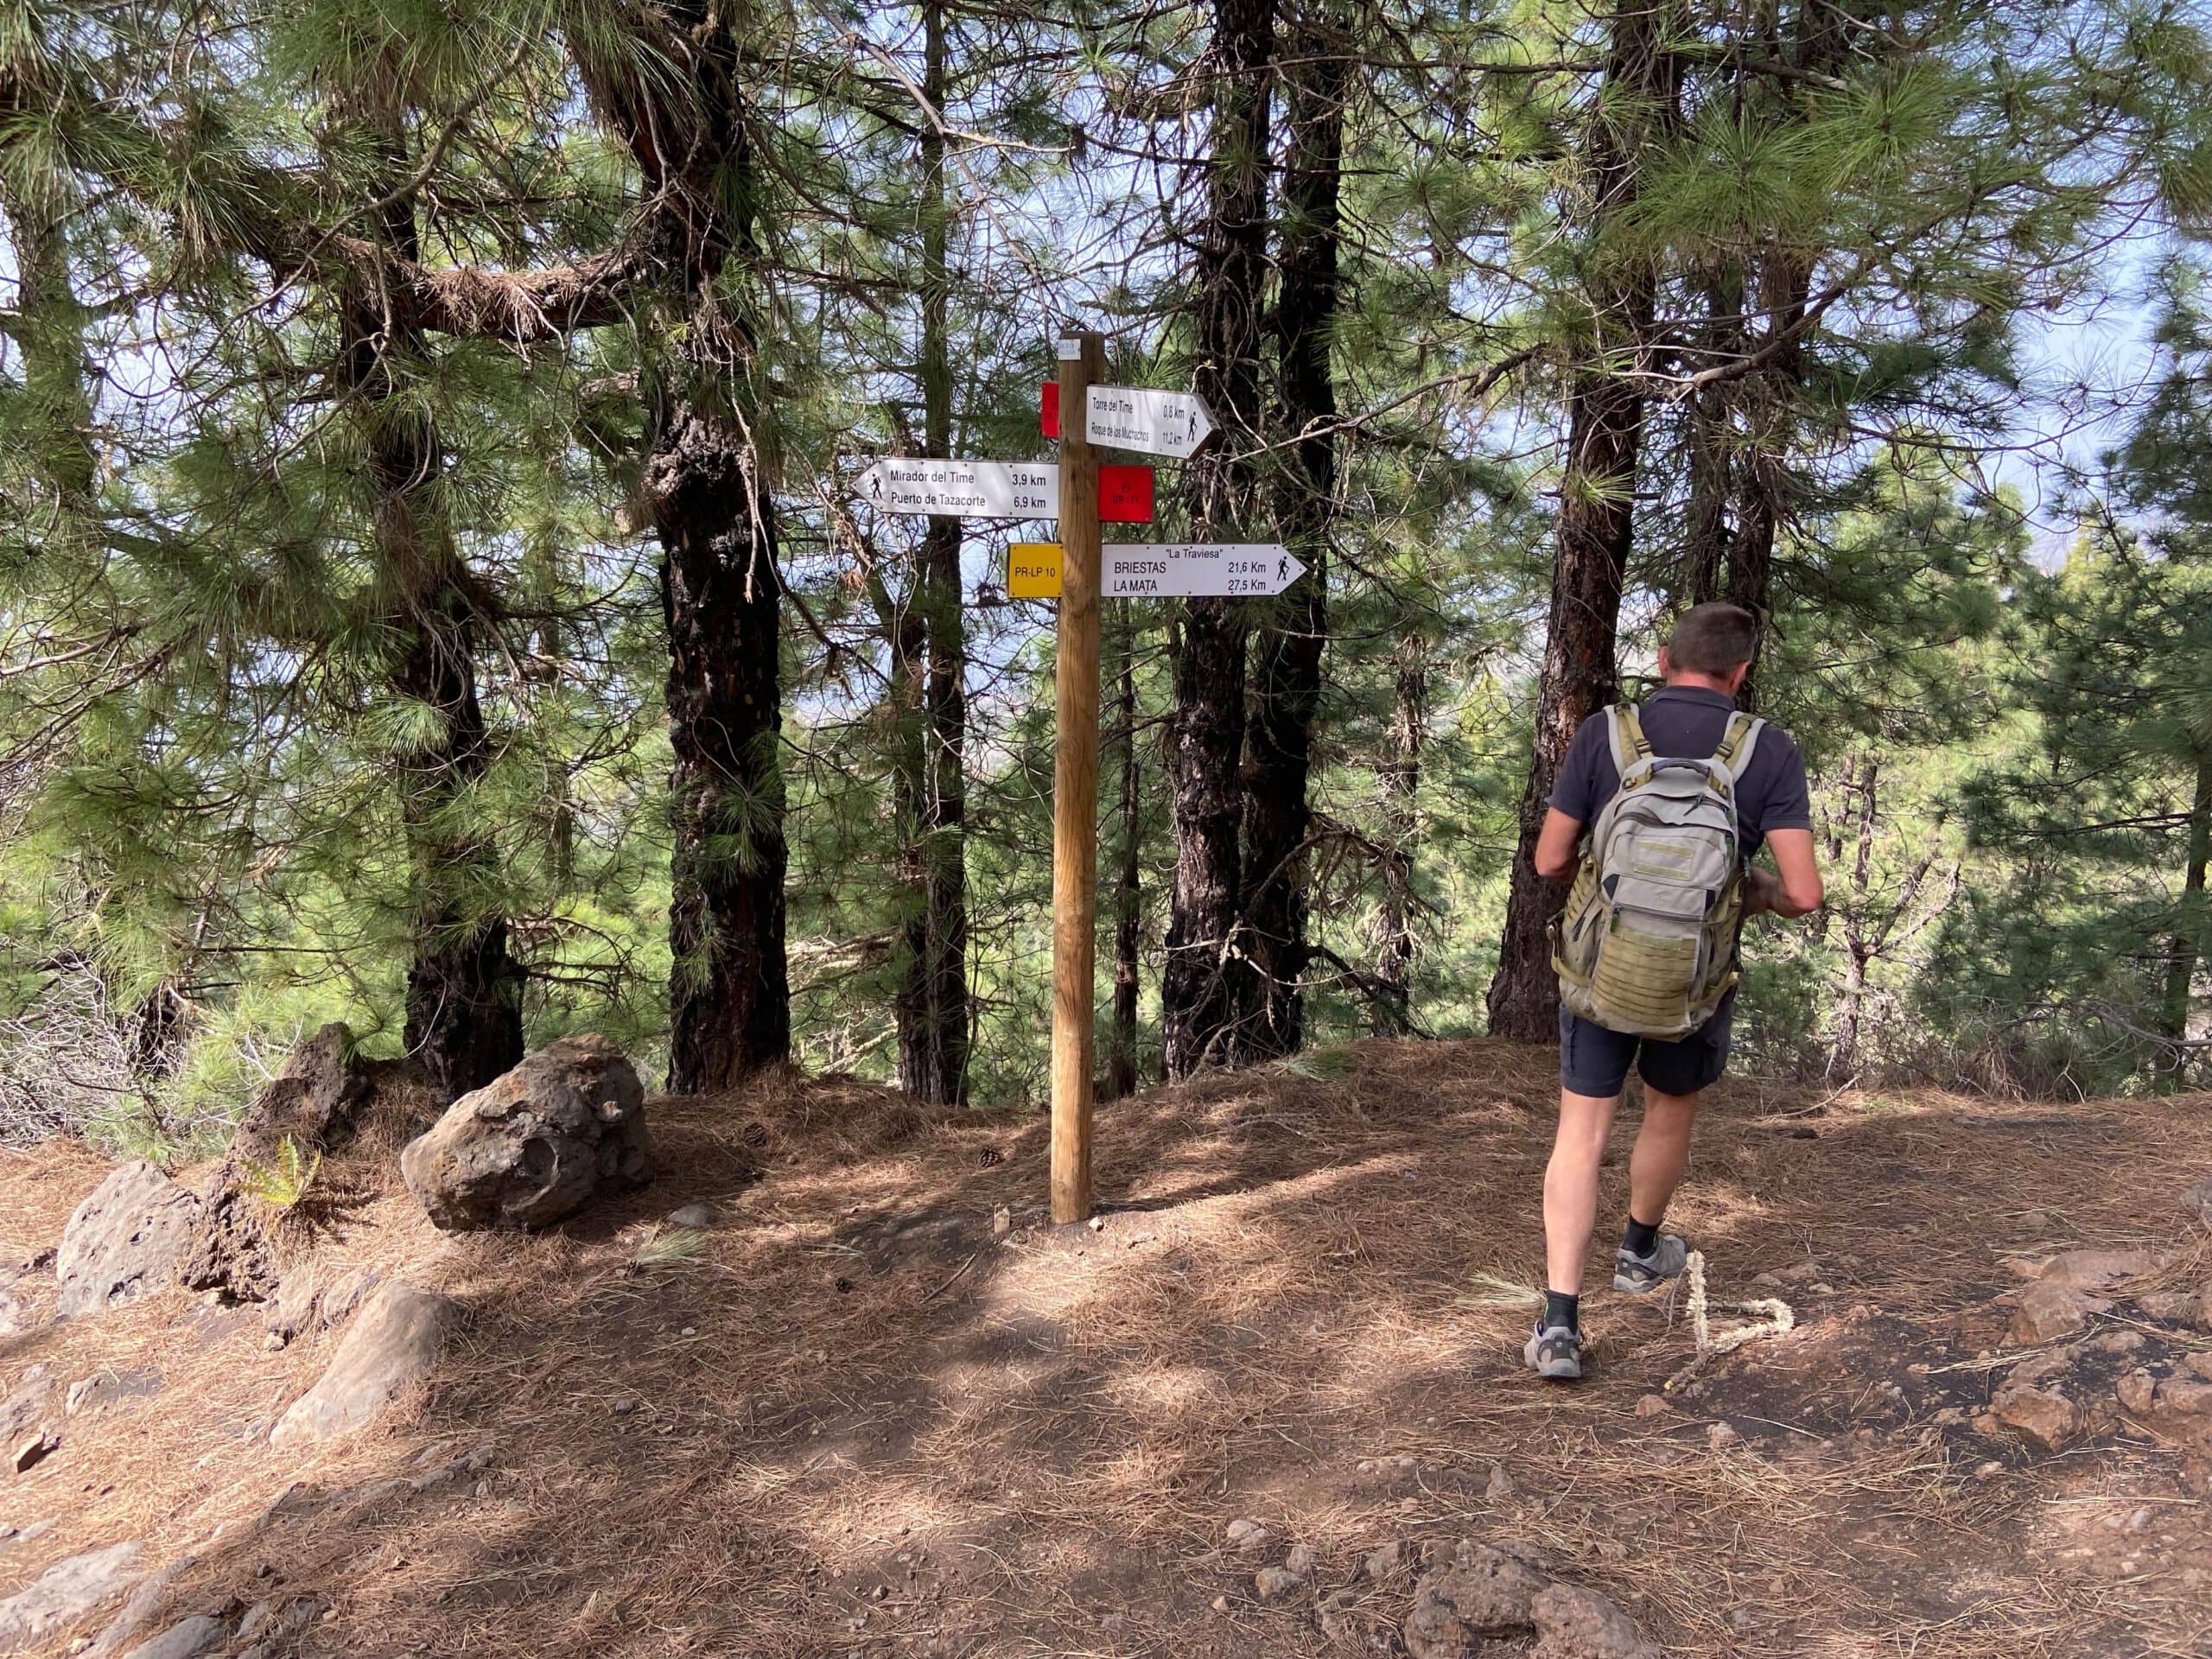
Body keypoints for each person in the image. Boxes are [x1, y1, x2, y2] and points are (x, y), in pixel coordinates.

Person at [1522, 601, 1825, 1382]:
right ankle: (1640, 1249)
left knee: (1581, 1136)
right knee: (1668, 1110)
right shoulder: (1768, 750)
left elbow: (1550, 862)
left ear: (1664, 660)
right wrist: (1737, 893)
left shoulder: (1608, 735)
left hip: (1599, 972)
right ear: (1742, 672)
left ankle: (1559, 1325)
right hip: (1691, 981)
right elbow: (1802, 892)